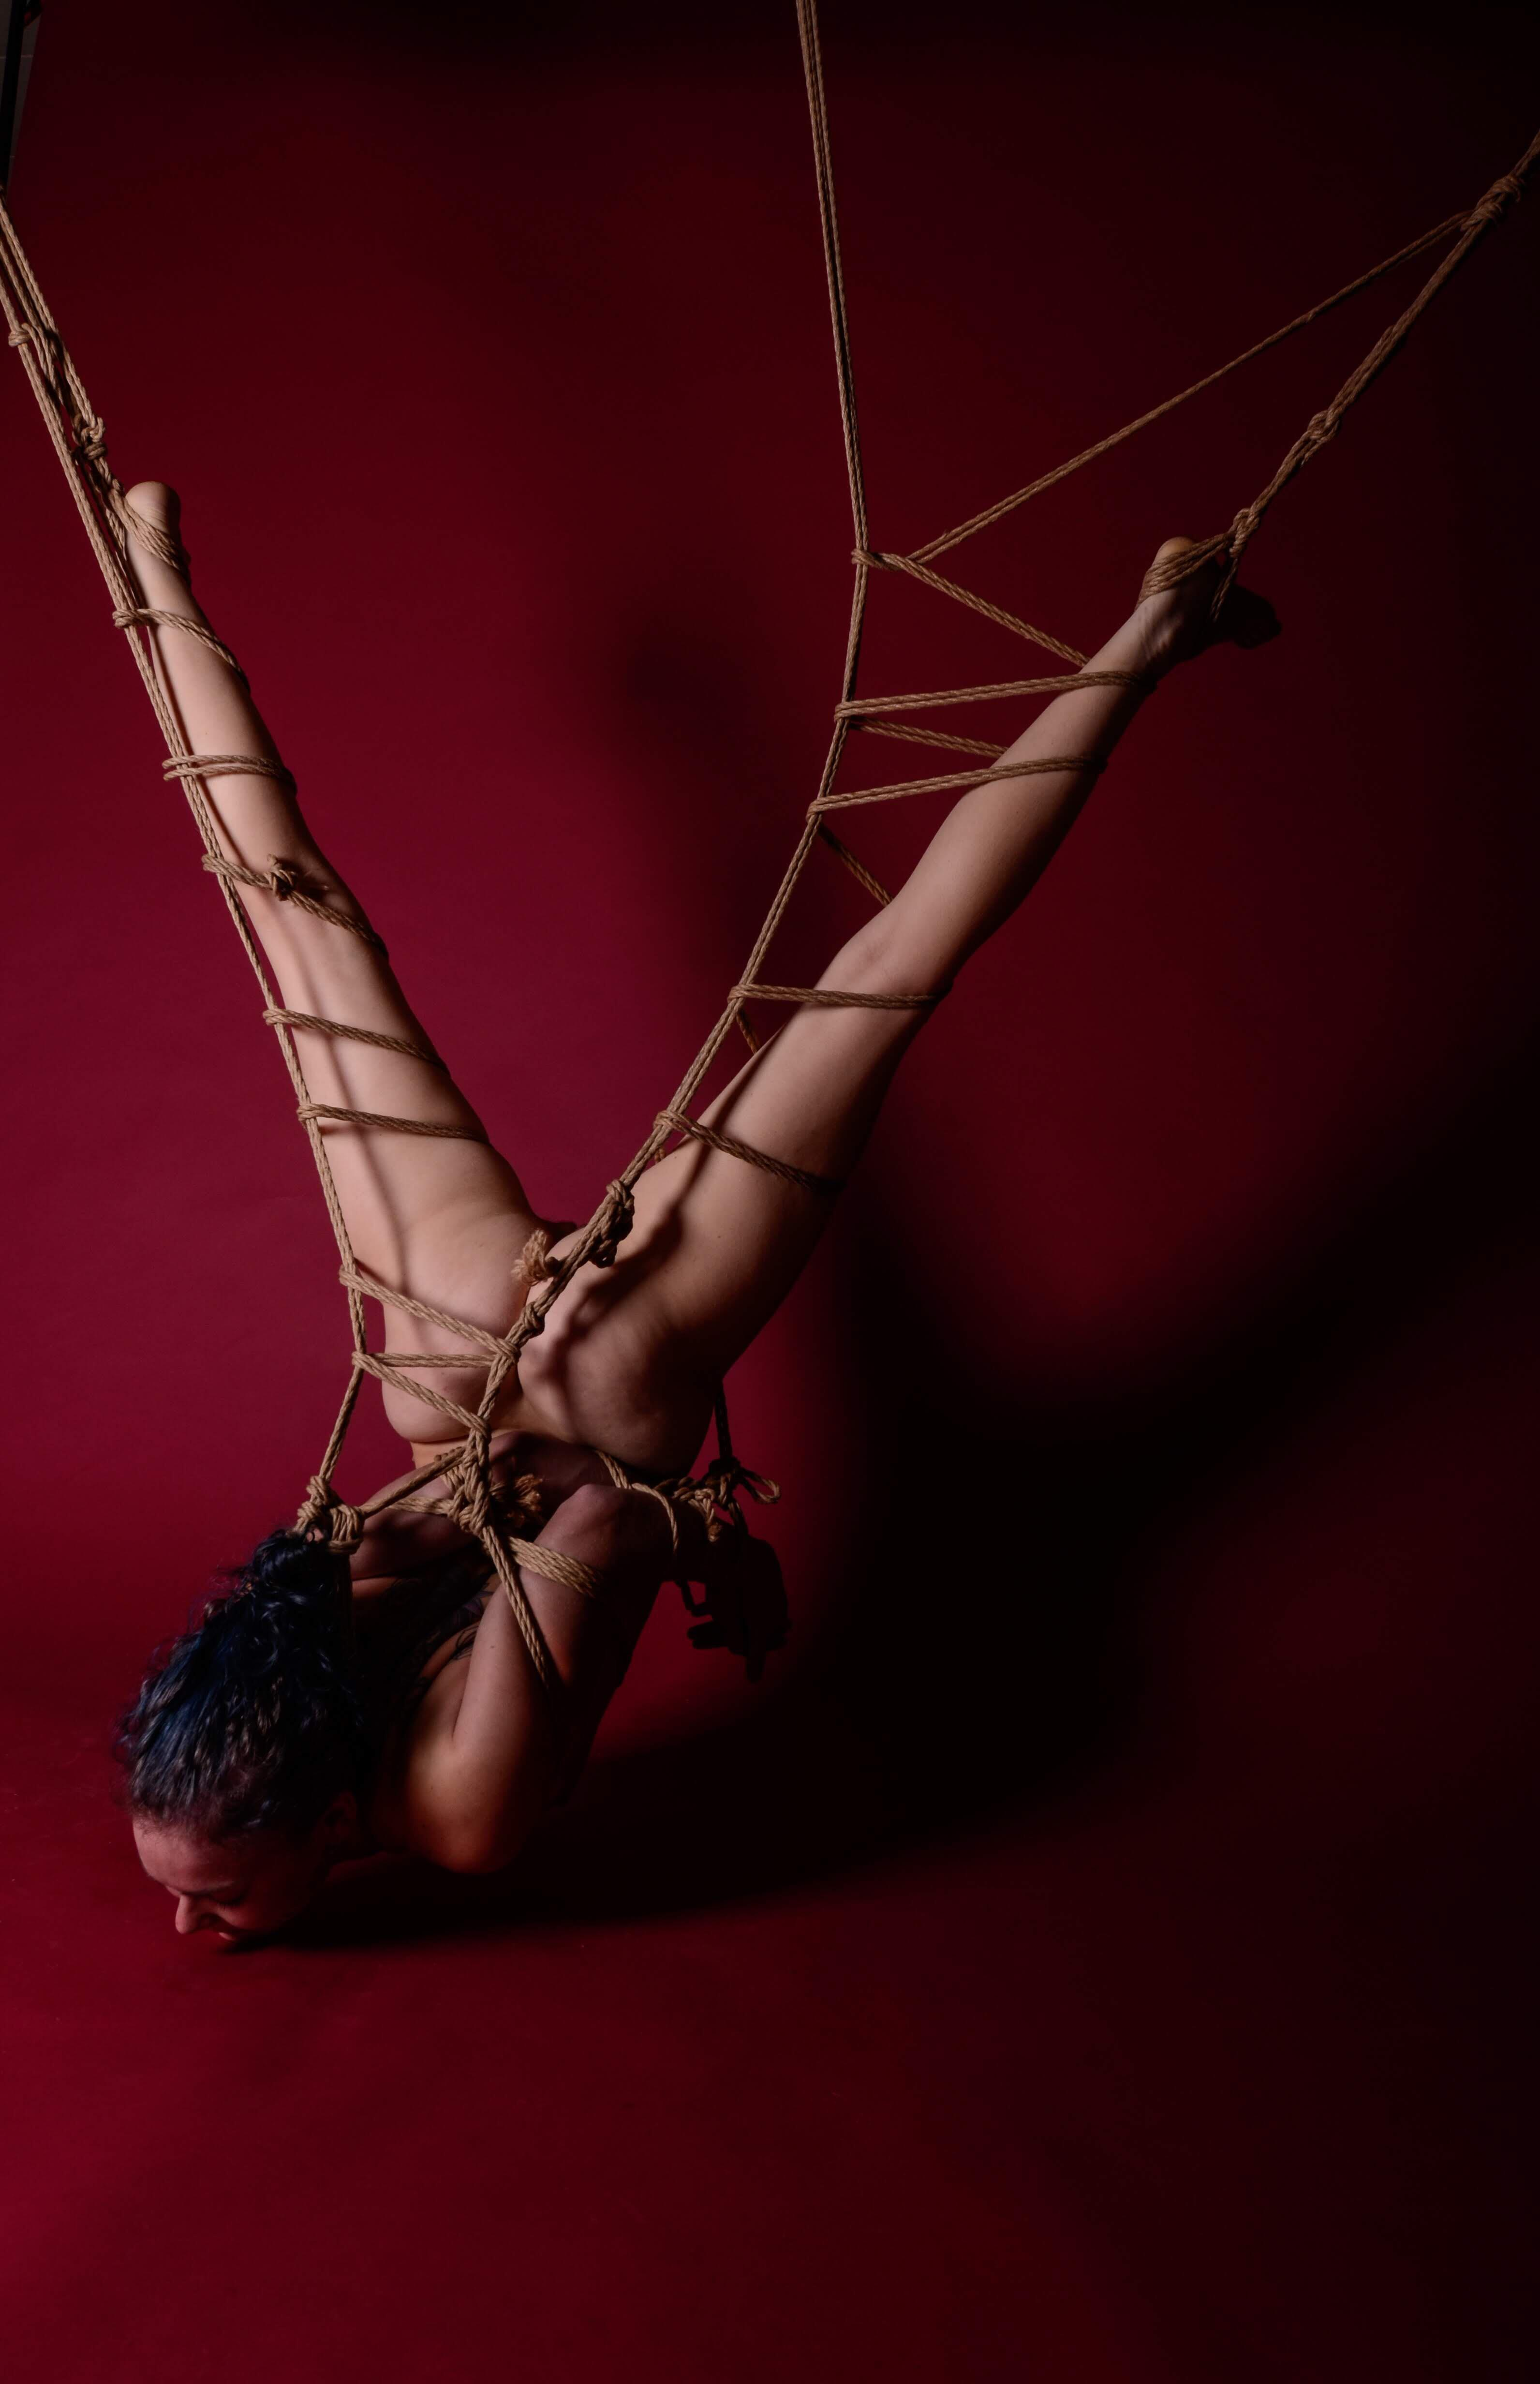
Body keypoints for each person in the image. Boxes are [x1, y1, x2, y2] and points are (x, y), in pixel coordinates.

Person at [115, 480, 1276, 1941]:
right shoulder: (266, 1693)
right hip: (441, 1348)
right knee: (301, 930)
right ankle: (152, 575)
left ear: (328, 1822)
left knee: (885, 978)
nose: (193, 1927)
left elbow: (603, 1520)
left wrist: (711, 1545)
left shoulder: (457, 1810)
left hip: (611, 1378)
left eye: (214, 1896)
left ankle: (1155, 628)